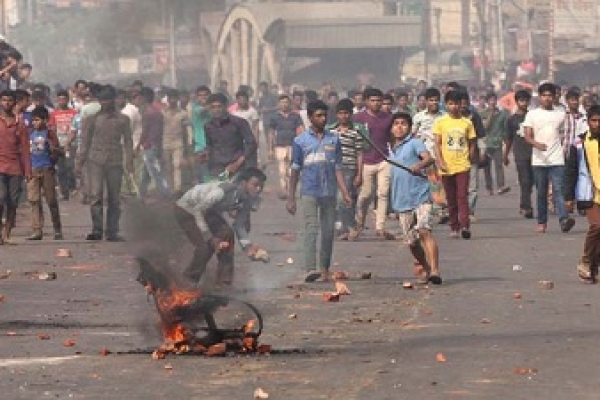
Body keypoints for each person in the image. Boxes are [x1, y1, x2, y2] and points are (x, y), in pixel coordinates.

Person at [286, 100, 352, 282]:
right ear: (310, 118)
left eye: (325, 115)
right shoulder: (300, 141)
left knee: (329, 231)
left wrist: (345, 192)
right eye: (319, 116)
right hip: (309, 190)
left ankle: (324, 268)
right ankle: (310, 268)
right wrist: (291, 197)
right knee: (311, 229)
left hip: (329, 192)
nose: (323, 119)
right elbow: (295, 169)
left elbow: (338, 167)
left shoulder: (334, 139)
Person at [175, 167, 269, 286]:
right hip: (187, 209)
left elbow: (239, 225)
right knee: (205, 246)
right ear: (244, 183)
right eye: (255, 185)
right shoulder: (224, 190)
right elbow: (198, 211)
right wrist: (209, 237)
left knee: (227, 234)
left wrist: (248, 247)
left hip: (207, 211)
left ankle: (224, 281)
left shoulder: (249, 199)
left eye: (261, 186)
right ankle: (189, 279)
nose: (258, 189)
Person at [76, 85, 134, 242]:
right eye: (102, 100)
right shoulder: (92, 119)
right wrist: (79, 162)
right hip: (95, 161)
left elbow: (128, 141)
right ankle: (97, 230)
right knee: (95, 196)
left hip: (115, 160)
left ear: (113, 100)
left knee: (114, 198)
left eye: (108, 99)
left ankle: (112, 231)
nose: (105, 103)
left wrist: (129, 162)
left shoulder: (123, 119)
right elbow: (85, 142)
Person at [389, 112, 441, 285]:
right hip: (401, 201)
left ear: (410, 127)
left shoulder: (415, 143)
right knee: (412, 242)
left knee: (424, 229)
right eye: (396, 123)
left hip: (420, 195)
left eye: (403, 123)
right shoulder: (390, 149)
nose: (399, 126)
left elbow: (429, 158)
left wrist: (418, 165)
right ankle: (426, 267)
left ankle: (435, 270)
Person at [523, 82, 575, 233]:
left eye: (549, 95)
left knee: (559, 190)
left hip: (557, 158)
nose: (547, 98)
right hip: (539, 160)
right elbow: (527, 135)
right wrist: (536, 144)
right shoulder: (532, 114)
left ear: (554, 97)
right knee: (541, 192)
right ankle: (542, 221)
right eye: (544, 95)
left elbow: (568, 131)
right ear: (539, 97)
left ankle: (564, 219)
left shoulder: (560, 114)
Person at [433, 90, 476, 239]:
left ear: (461, 105)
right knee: (451, 199)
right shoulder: (441, 122)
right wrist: (440, 161)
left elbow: (472, 143)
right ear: (446, 105)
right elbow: (437, 144)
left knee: (462, 196)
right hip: (446, 166)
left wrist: (469, 159)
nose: (454, 107)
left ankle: (465, 225)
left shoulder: (467, 123)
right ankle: (454, 226)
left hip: (462, 165)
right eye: (450, 104)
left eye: (456, 103)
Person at [565, 105, 600, 283]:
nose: (597, 124)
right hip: (590, 193)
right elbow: (571, 171)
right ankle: (586, 261)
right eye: (594, 120)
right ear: (588, 122)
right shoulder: (579, 144)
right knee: (597, 227)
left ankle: (593, 269)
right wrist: (569, 197)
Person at [353, 88, 395, 239]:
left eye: (379, 100)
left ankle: (380, 227)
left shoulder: (388, 118)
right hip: (365, 161)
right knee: (365, 195)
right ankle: (359, 224)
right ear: (366, 101)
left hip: (384, 159)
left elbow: (393, 138)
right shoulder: (357, 118)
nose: (376, 103)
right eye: (373, 100)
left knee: (383, 193)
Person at [327, 98, 364, 240]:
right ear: (337, 115)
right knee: (335, 199)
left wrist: (359, 174)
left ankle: (349, 227)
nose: (344, 116)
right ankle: (345, 227)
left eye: (346, 113)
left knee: (344, 199)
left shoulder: (356, 132)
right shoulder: (330, 132)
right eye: (341, 113)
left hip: (349, 168)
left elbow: (360, 153)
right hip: (333, 169)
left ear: (351, 114)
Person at [26, 106, 63, 240]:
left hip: (47, 168)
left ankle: (57, 229)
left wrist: (53, 150)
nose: (34, 123)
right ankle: (37, 230)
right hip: (33, 169)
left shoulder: (49, 134)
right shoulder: (29, 133)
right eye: (33, 120)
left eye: (37, 120)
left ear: (44, 120)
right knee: (34, 200)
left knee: (51, 200)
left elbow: (58, 151)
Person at [413, 87, 448, 224]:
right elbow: (413, 135)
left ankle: (441, 210)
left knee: (442, 183)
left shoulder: (445, 116)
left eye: (436, 100)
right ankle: (434, 210)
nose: (434, 103)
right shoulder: (419, 117)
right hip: (425, 156)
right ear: (426, 101)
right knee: (430, 183)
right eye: (431, 100)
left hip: (442, 155)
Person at [203, 93, 257, 181]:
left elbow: (251, 144)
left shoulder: (239, 122)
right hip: (217, 168)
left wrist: (238, 163)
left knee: (234, 192)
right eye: (213, 107)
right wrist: (205, 154)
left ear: (225, 106)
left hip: (237, 168)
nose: (216, 110)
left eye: (219, 106)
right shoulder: (208, 126)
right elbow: (210, 146)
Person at [0, 89, 31, 244]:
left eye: (9, 100)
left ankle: (7, 232)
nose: (6, 103)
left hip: (15, 168)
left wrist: (28, 170)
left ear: (14, 103)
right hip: (0, 167)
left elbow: (25, 148)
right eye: (4, 100)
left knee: (12, 202)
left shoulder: (20, 123)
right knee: (0, 198)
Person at [135, 86, 171, 199]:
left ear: (143, 98)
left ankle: (167, 195)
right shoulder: (157, 111)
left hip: (149, 146)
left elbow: (145, 132)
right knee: (146, 172)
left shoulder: (147, 113)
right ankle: (141, 194)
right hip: (156, 145)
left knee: (156, 173)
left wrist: (138, 146)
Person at [504, 90, 534, 219]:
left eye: (526, 100)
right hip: (520, 154)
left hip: (534, 153)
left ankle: (524, 203)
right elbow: (509, 139)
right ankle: (526, 207)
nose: (524, 103)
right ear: (517, 102)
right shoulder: (511, 120)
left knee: (531, 181)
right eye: (521, 100)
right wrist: (505, 155)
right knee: (525, 180)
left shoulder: (533, 117)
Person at [269, 94, 304, 199]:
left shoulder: (295, 116)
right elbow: (271, 133)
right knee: (282, 170)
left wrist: (302, 145)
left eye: (286, 102)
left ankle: (291, 190)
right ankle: (284, 189)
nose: (284, 104)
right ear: (279, 104)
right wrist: (270, 149)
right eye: (282, 102)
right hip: (279, 146)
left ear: (290, 104)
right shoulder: (274, 117)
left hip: (293, 145)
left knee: (292, 170)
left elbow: (300, 130)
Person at [50, 90, 78, 200]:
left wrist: (69, 142)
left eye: (64, 99)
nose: (62, 101)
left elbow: (76, 129)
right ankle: (64, 191)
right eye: (59, 99)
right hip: (59, 145)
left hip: (71, 144)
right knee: (61, 169)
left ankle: (72, 187)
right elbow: (52, 129)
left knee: (70, 167)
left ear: (67, 99)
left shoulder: (74, 113)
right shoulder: (54, 114)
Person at [480, 91, 510, 195]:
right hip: (486, 144)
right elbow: (485, 127)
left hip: (497, 143)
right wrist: (491, 114)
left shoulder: (502, 114)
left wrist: (506, 144)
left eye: (494, 100)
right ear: (487, 101)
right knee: (486, 167)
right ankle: (489, 188)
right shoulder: (482, 113)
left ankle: (501, 186)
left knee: (499, 165)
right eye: (490, 100)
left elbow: (505, 129)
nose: (492, 102)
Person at [162, 89, 189, 194]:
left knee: (177, 165)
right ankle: (170, 188)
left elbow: (185, 131)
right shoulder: (163, 113)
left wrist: (186, 146)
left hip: (178, 143)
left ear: (177, 99)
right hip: (165, 143)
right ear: (168, 99)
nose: (172, 100)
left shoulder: (183, 114)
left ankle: (177, 189)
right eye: (170, 98)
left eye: (174, 98)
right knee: (168, 167)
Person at [189, 85, 211, 183]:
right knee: (203, 173)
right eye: (200, 95)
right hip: (201, 146)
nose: (203, 97)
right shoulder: (195, 108)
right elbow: (203, 110)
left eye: (205, 95)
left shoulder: (213, 110)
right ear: (197, 97)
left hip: (213, 146)